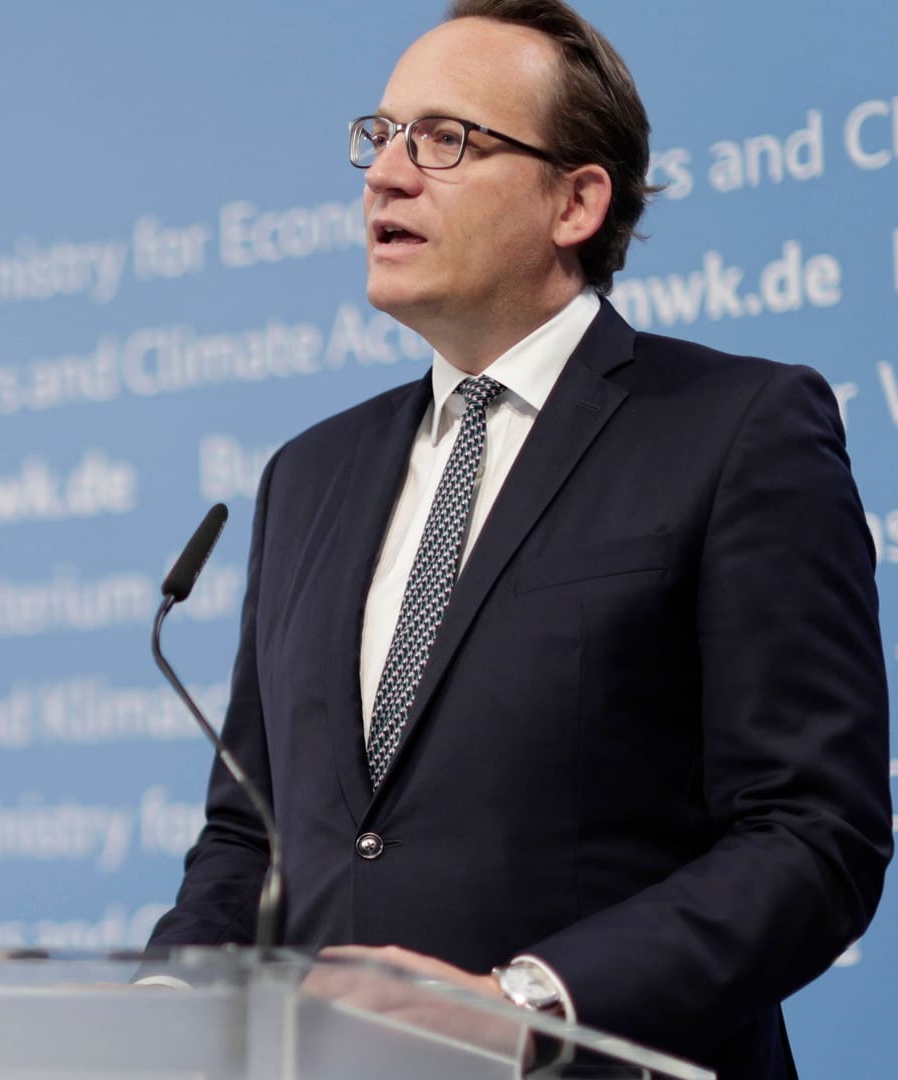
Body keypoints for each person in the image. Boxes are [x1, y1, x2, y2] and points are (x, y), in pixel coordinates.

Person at [146, 2, 891, 1077]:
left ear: (577, 200)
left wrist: (531, 1007)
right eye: (382, 135)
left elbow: (813, 836)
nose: (387, 175)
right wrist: (167, 1000)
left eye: (445, 140)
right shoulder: (307, 475)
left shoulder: (737, 430)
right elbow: (247, 838)